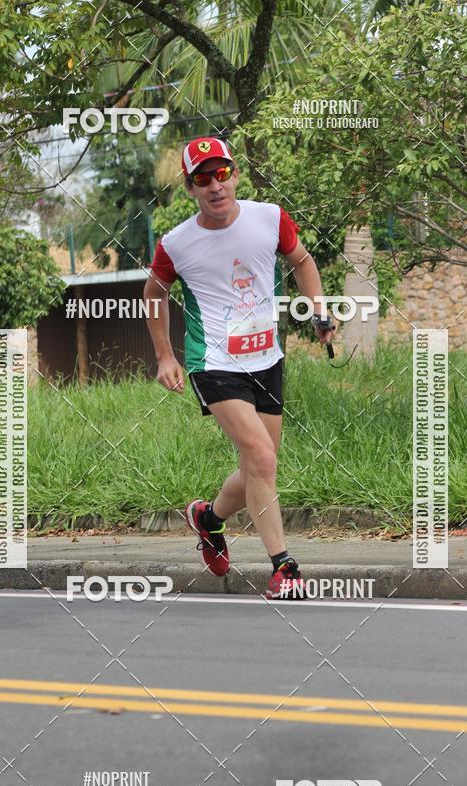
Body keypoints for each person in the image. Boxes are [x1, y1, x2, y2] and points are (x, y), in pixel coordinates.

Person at [143, 137, 333, 599]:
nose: (215, 186)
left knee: (256, 470)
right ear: (190, 187)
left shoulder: (269, 218)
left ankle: (208, 518)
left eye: (222, 174)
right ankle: (284, 568)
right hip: (213, 364)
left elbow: (302, 260)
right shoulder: (176, 244)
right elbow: (153, 294)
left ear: (235, 175)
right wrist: (165, 355)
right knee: (263, 459)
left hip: (267, 359)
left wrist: (320, 310)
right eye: (203, 178)